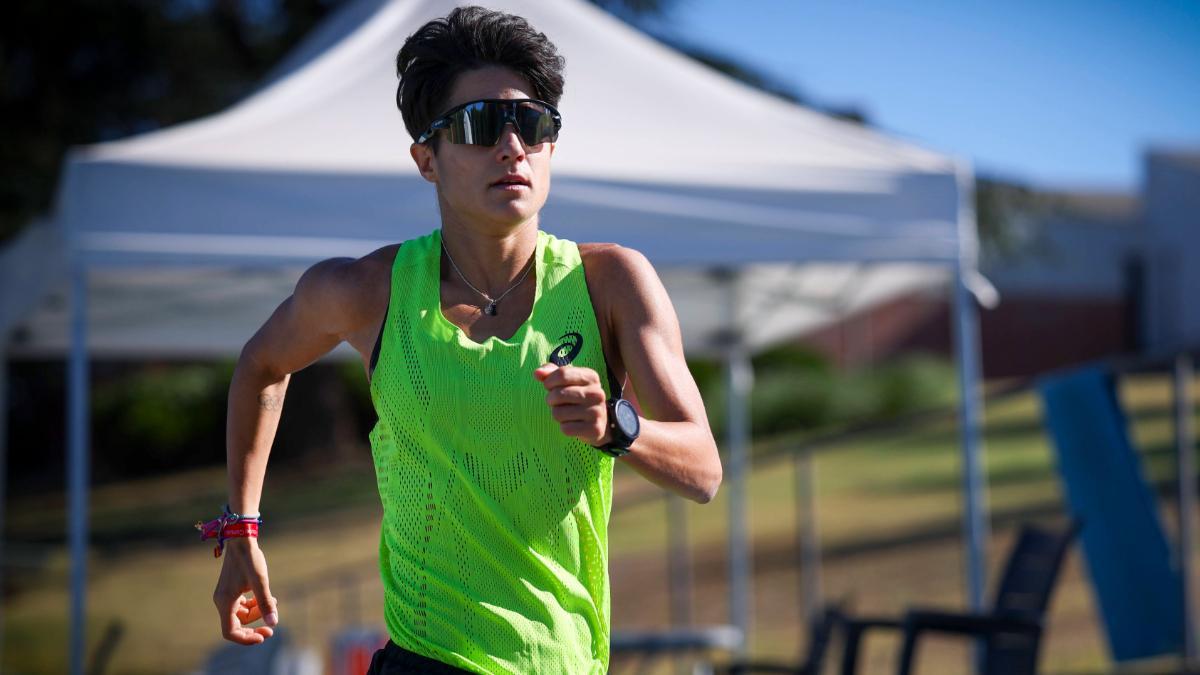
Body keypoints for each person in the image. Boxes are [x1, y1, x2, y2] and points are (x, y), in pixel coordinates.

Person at [209, 5, 722, 673]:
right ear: (427, 158)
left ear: (551, 148)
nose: (512, 147)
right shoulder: (368, 290)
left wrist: (616, 425)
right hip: (426, 658)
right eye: (482, 126)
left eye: (532, 125)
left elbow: (704, 468)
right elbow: (260, 364)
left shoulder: (612, 281)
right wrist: (241, 527)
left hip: (562, 660)